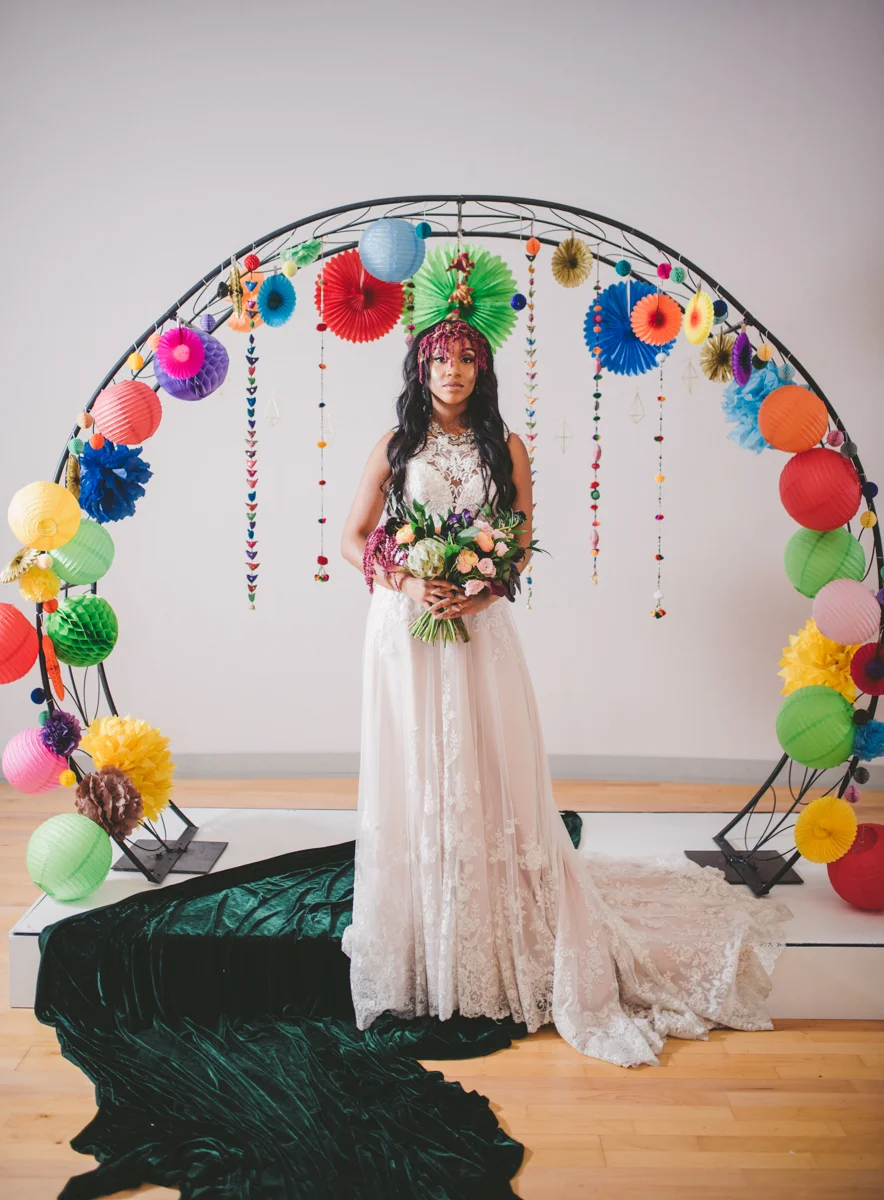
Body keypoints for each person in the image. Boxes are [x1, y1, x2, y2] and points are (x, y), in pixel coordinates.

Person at [339, 315, 792, 1068]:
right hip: (405, 630)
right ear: (419, 369)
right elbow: (353, 536)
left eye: (466, 358)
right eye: (440, 358)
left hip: (478, 630)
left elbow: (516, 539)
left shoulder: (506, 446)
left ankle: (491, 917)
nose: (452, 370)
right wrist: (406, 575)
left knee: (489, 764)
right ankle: (422, 924)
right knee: (418, 766)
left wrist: (483, 592)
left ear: (483, 370)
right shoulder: (393, 447)